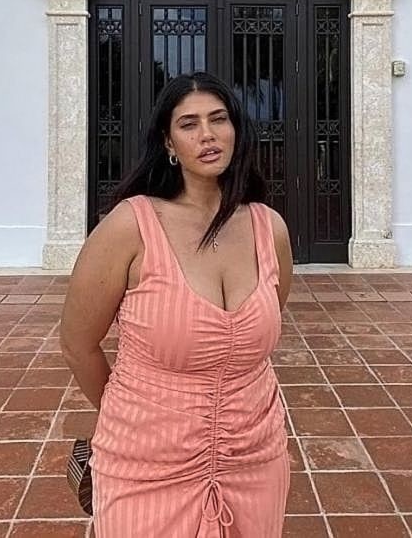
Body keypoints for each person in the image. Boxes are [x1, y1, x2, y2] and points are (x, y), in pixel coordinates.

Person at [60, 71, 293, 537]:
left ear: (236, 131)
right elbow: (77, 343)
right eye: (189, 124)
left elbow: (267, 322)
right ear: (168, 142)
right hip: (146, 462)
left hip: (254, 458)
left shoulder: (270, 229)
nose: (207, 134)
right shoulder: (130, 226)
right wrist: (130, 415)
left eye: (219, 119)